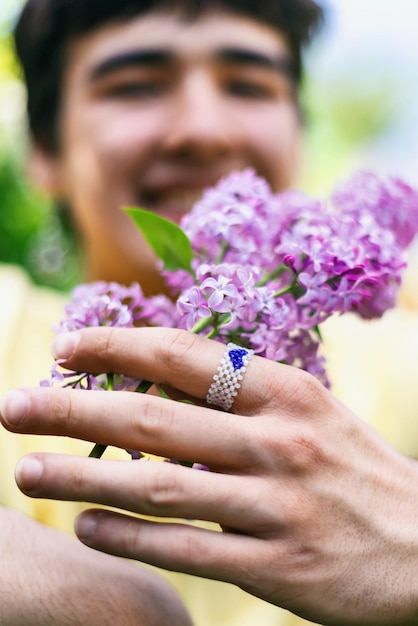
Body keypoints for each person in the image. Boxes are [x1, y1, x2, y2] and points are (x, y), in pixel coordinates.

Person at [3, 0, 418, 624]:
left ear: (300, 132)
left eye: (249, 85)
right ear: (44, 151)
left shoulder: (400, 365)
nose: (204, 129)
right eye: (136, 85)